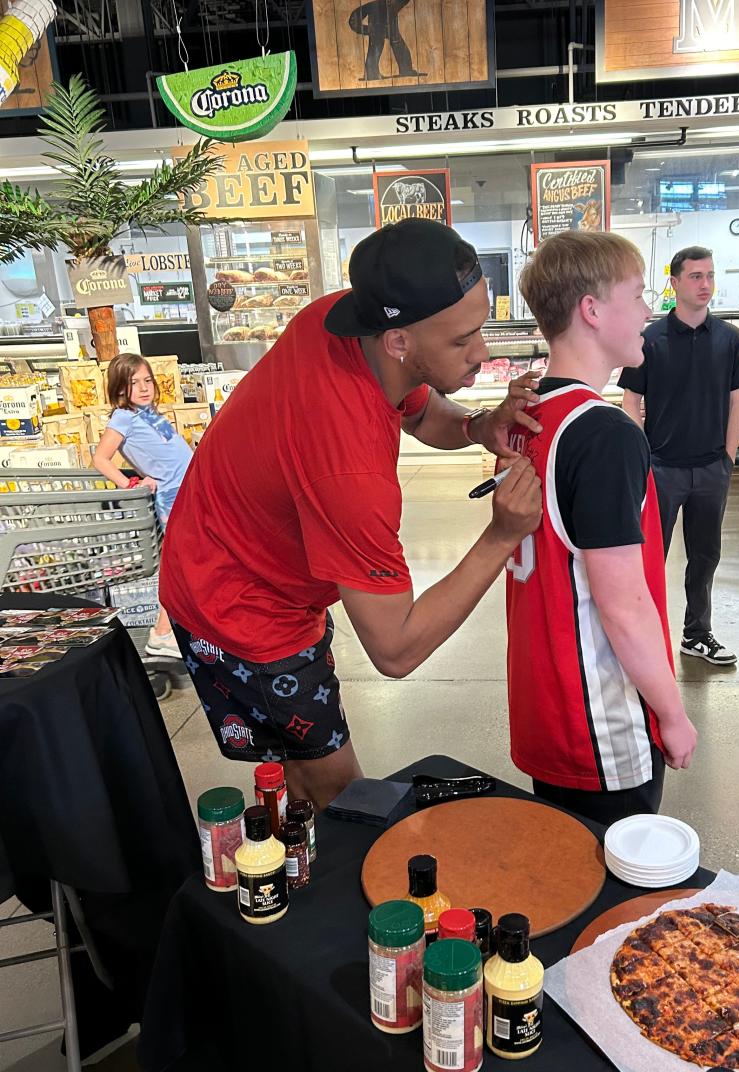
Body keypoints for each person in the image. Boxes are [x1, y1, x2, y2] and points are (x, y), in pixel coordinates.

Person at [159, 219, 542, 808]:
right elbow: (396, 650)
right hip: (238, 601)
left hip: (223, 548)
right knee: (339, 795)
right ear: (400, 343)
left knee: (297, 774)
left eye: (480, 328)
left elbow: (416, 411)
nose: (482, 352)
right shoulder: (350, 474)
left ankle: (291, 854)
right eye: (461, 340)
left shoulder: (345, 319)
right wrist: (501, 535)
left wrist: (478, 425)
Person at [504, 231, 697, 826]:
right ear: (591, 309)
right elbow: (622, 604)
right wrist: (671, 712)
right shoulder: (605, 435)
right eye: (638, 294)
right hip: (602, 723)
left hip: (546, 706)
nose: (649, 310)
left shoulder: (526, 416)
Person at [619, 246, 739, 667]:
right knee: (649, 557)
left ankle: (698, 634)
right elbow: (630, 400)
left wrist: (727, 460)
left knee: (705, 555)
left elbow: (736, 402)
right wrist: (644, 458)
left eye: (709, 275)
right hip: (662, 469)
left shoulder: (729, 339)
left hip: (712, 469)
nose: (705, 284)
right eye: (695, 276)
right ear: (674, 283)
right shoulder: (649, 340)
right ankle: (645, 635)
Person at [92, 353, 192, 659]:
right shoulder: (123, 417)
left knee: (184, 560)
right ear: (120, 389)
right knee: (179, 562)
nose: (144, 387)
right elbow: (100, 458)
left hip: (187, 488)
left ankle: (169, 628)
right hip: (172, 494)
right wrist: (130, 484)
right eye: (134, 383)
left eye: (147, 380)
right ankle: (162, 631)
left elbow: (168, 450)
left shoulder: (149, 413)